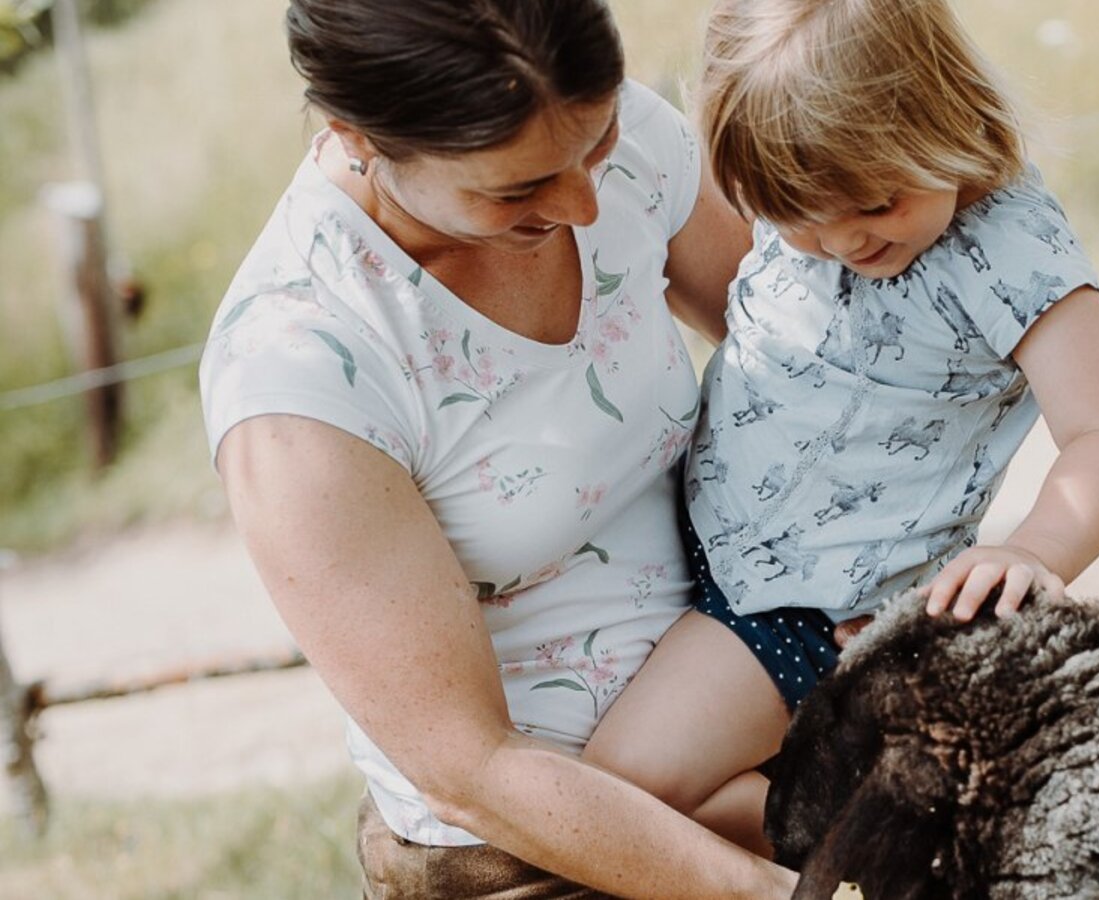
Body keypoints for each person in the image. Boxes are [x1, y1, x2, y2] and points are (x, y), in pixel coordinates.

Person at [197, 1, 796, 896]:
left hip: (758, 708)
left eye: (595, 145)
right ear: (355, 136)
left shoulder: (590, 146)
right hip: (534, 848)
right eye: (516, 190)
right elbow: (469, 769)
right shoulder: (300, 372)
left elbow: (814, 369)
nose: (583, 202)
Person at [581, 0, 1099, 855]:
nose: (843, 239)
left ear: (944, 119)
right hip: (703, 544)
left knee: (620, 794)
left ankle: (890, 821)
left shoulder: (1011, 252)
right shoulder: (803, 203)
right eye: (797, 218)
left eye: (876, 204)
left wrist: (1031, 554)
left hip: (804, 606)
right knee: (611, 791)